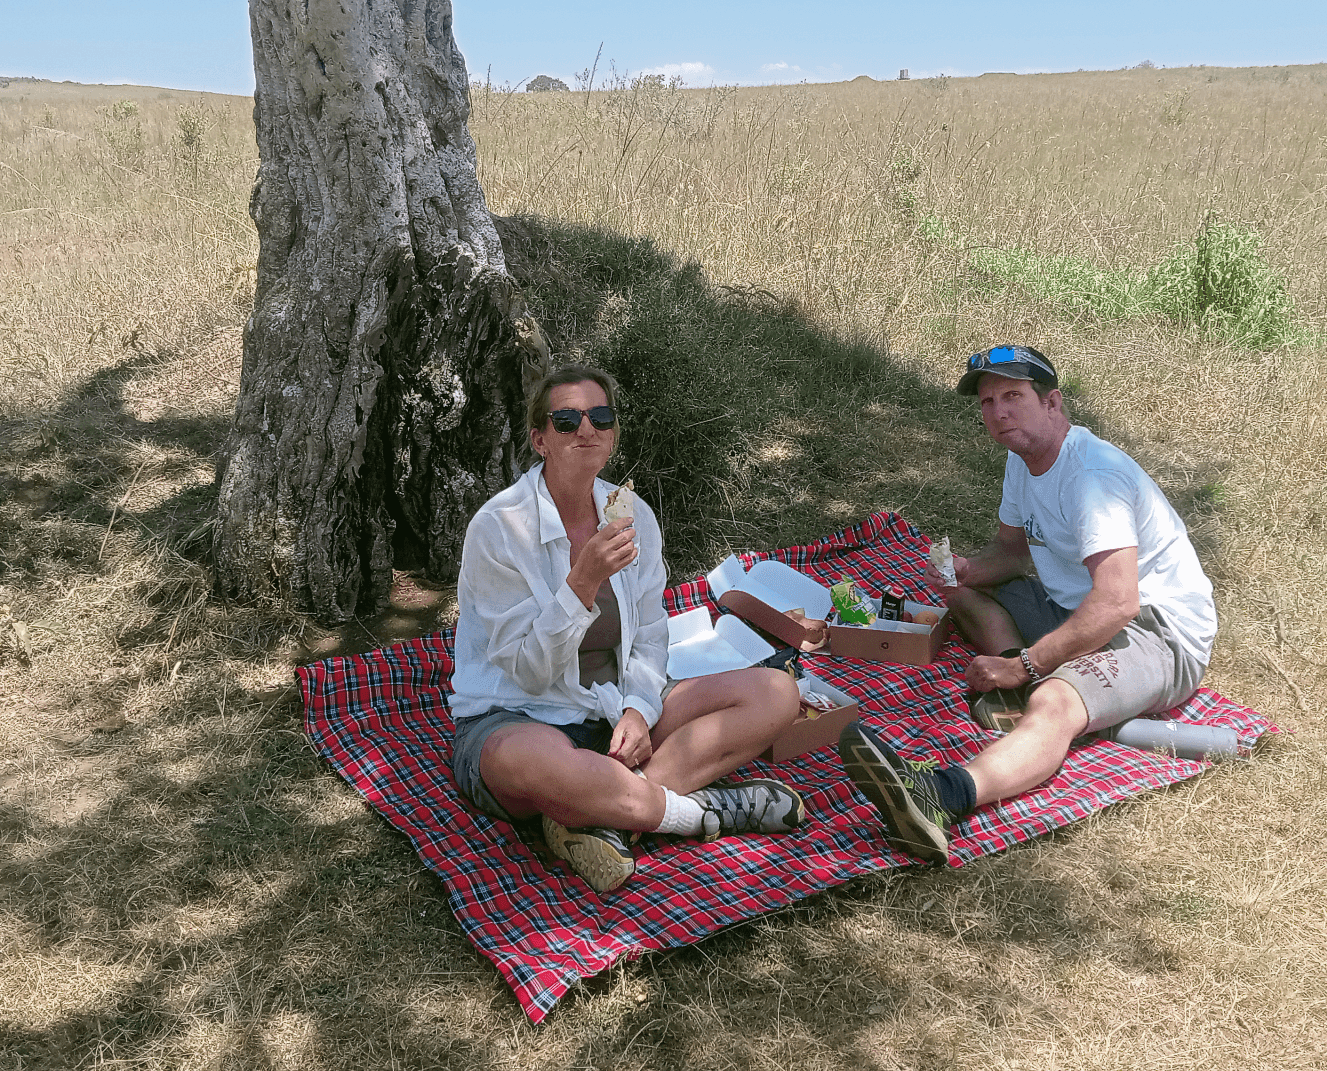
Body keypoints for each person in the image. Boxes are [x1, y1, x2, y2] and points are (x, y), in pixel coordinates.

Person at [839, 344, 1217, 862]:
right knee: (962, 593)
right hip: (1072, 607)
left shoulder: (1092, 478)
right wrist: (970, 571)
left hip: (1157, 632)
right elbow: (1011, 555)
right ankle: (1017, 694)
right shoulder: (1023, 462)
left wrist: (1025, 665)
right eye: (988, 402)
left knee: (1056, 702)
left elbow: (1117, 602)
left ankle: (941, 795)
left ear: (1053, 403)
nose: (998, 412)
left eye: (1013, 396)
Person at [449, 364, 807, 893]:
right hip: (521, 715)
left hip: (612, 707)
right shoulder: (499, 528)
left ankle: (598, 812)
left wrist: (640, 711)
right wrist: (583, 581)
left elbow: (649, 636)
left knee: (777, 691)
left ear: (613, 434)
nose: (585, 430)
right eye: (566, 420)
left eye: (600, 417)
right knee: (541, 766)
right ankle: (702, 813)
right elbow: (526, 672)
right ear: (539, 439)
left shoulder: (630, 512)